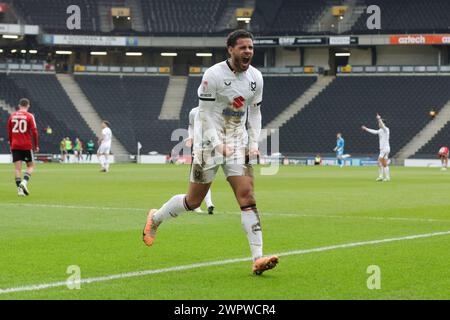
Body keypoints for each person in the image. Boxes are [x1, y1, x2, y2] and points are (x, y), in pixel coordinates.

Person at [142, 30, 279, 275]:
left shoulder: (256, 78)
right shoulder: (213, 75)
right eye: (243, 47)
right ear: (230, 50)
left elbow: (255, 113)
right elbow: (203, 114)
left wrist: (254, 143)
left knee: (247, 198)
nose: (248, 51)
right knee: (193, 201)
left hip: (237, 142)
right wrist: (216, 144)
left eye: (250, 47)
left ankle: (257, 259)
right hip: (208, 143)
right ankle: (157, 217)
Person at [185, 106, 215, 214]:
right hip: (198, 150)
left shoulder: (215, 110)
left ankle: (202, 205)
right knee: (201, 178)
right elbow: (191, 127)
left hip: (212, 149)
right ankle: (207, 204)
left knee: (204, 178)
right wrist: (190, 137)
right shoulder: (193, 111)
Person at [7, 98, 39, 196]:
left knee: (17, 169)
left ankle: (19, 191)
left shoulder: (12, 116)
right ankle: (24, 183)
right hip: (26, 145)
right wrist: (36, 145)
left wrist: (11, 143)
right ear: (28, 105)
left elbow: (9, 131)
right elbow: (34, 131)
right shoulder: (30, 116)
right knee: (30, 166)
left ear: (19, 105)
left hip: (15, 145)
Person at [362, 113, 391, 182]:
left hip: (385, 149)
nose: (379, 124)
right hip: (383, 149)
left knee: (379, 162)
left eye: (380, 123)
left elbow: (383, 126)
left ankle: (384, 177)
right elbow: (374, 132)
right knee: (383, 163)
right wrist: (366, 129)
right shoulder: (380, 130)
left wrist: (379, 119)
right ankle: (384, 177)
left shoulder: (386, 129)